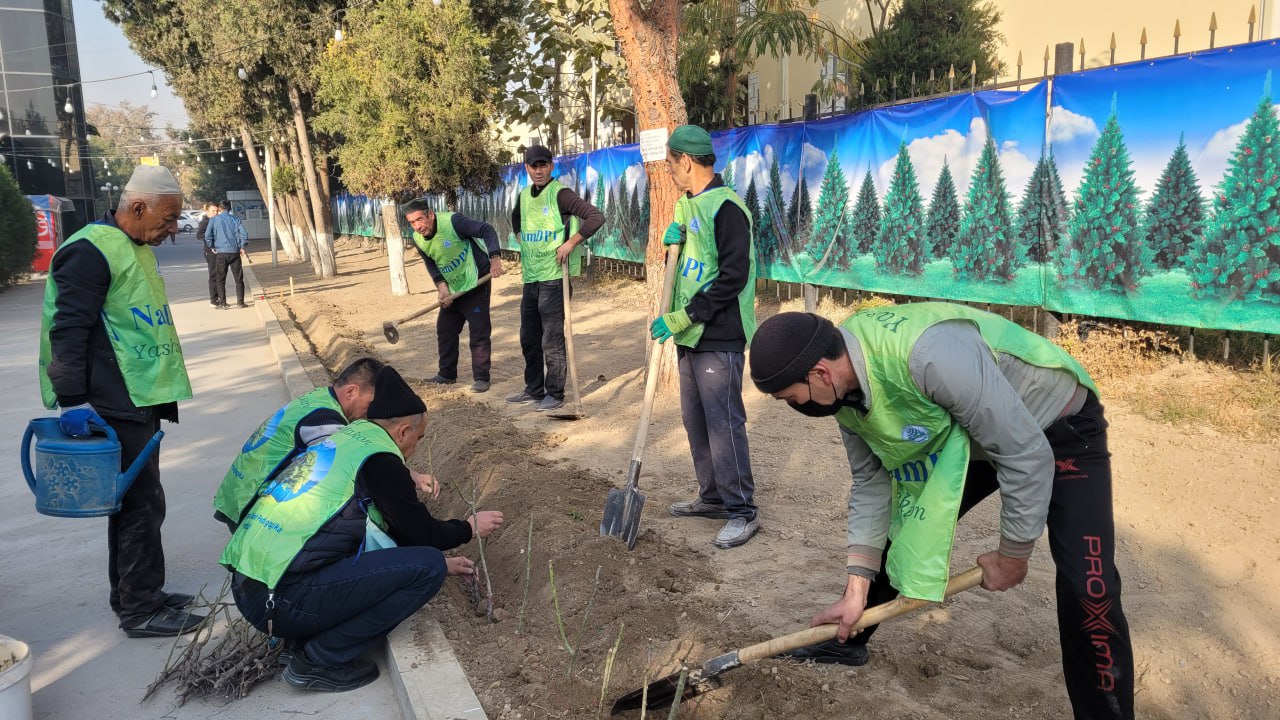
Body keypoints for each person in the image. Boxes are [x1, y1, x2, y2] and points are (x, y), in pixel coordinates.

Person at [747, 304, 1133, 720]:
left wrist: (1013, 553)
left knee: (1087, 586)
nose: (795, 407)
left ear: (820, 373)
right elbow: (871, 482)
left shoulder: (929, 356)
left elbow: (1024, 452)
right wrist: (856, 585)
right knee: (901, 536)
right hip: (970, 433)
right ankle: (849, 632)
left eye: (790, 398)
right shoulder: (842, 391)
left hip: (1056, 425)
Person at [221, 365, 505, 692]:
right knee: (427, 567)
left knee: (423, 561)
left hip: (254, 585)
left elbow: (381, 533)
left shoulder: (350, 438)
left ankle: (300, 640)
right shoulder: (382, 461)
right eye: (418, 438)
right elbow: (421, 535)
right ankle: (320, 658)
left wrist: (443, 560)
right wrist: (467, 528)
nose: (415, 448)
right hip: (279, 601)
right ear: (402, 432)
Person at [38, 164, 204, 638]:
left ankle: (134, 594)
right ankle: (140, 610)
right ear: (136, 207)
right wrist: (72, 400)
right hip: (112, 401)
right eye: (168, 220)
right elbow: (68, 327)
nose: (173, 230)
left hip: (140, 395)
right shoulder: (90, 251)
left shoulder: (132, 246)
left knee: (136, 502)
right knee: (140, 506)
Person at [651, 125, 760, 549]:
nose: (670, 173)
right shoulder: (687, 205)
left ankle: (742, 510)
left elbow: (733, 277)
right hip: (690, 334)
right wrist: (669, 247)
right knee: (694, 417)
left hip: (719, 332)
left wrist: (685, 317)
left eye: (671, 164)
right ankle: (712, 495)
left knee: (723, 421)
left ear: (687, 161)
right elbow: (687, 264)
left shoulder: (728, 208)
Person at [213, 357, 387, 532]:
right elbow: (352, 463)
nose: (369, 412)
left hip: (236, 490)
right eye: (369, 403)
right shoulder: (326, 422)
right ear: (351, 392)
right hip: (250, 502)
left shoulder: (319, 397)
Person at [505, 144, 604, 412]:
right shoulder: (524, 196)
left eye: (543, 165)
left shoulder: (560, 194)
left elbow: (596, 217)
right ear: (526, 168)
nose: (538, 170)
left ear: (551, 166)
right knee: (529, 337)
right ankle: (533, 389)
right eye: (533, 166)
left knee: (552, 339)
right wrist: (521, 240)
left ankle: (555, 394)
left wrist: (570, 243)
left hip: (554, 279)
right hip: (532, 278)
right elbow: (515, 219)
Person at [400, 197, 504, 394]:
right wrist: (441, 287)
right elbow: (431, 263)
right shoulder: (418, 239)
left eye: (420, 220)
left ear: (430, 214)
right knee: (445, 328)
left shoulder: (453, 222)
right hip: (453, 288)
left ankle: (482, 378)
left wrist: (495, 258)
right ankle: (446, 374)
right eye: (412, 223)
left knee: (478, 330)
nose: (417, 227)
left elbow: (487, 230)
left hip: (475, 280)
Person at [208, 199, 248, 308]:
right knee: (239, 279)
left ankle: (223, 303)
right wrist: (242, 247)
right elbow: (244, 234)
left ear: (220, 209)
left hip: (221, 253)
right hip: (235, 252)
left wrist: (212, 246)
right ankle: (240, 302)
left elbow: (208, 235)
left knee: (220, 279)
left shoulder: (214, 220)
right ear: (230, 208)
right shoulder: (236, 219)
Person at [197, 202, 221, 308]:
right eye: (213, 211)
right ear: (207, 211)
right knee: (213, 275)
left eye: (217, 211)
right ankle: (213, 299)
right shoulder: (205, 222)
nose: (215, 213)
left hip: (220, 251)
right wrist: (210, 241)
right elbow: (199, 235)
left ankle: (221, 298)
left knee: (220, 275)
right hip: (210, 252)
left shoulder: (217, 220)